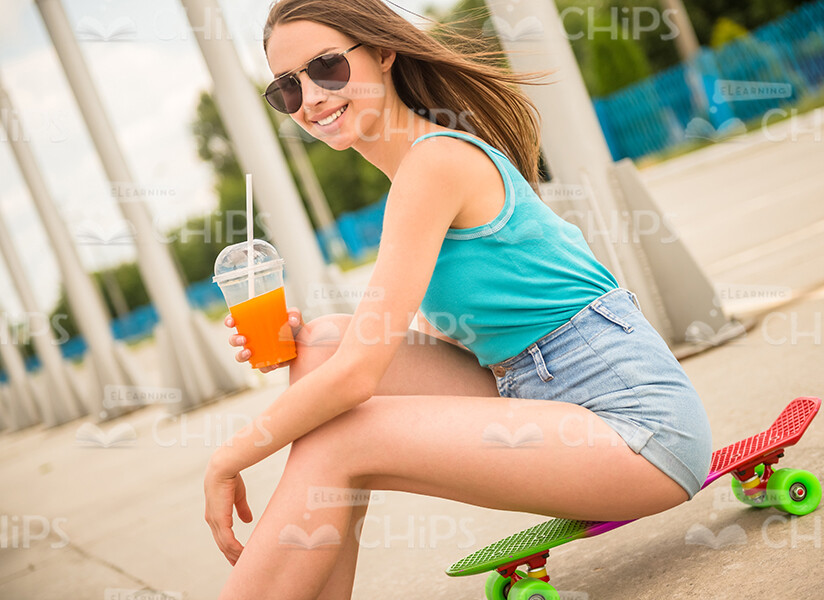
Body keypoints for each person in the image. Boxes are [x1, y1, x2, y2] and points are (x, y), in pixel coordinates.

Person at [204, 1, 713, 598]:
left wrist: (226, 459)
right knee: (317, 345)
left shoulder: (435, 163)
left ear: (384, 53)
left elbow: (358, 377)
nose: (311, 98)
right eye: (287, 89)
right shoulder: (415, 173)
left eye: (327, 68)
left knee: (344, 431)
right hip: (533, 387)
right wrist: (296, 343)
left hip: (640, 433)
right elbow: (429, 341)